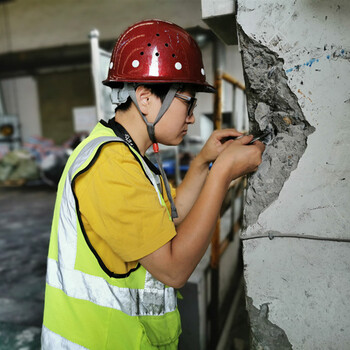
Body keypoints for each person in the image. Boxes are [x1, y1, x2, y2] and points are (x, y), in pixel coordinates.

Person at [41, 19, 265, 349]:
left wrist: (205, 163)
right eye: (188, 102)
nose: (191, 117)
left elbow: (169, 218)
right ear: (145, 98)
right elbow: (174, 270)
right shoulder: (109, 166)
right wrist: (222, 175)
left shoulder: (126, 152)